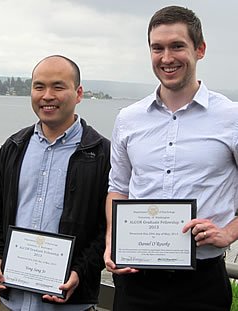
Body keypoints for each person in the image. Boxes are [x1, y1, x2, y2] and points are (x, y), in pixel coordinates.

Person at [104, 5, 238, 311]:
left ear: (200, 49)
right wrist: (113, 239)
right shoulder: (128, 119)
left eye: (177, 46)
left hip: (202, 282)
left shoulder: (232, 118)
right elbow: (118, 188)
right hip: (136, 278)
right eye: (157, 48)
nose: (167, 58)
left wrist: (229, 232)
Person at [0, 55, 110, 311]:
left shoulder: (101, 154)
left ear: (79, 93)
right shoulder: (14, 147)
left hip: (70, 303)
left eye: (58, 87)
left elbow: (107, 227)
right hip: (11, 299)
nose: (47, 95)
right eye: (39, 86)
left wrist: (80, 272)